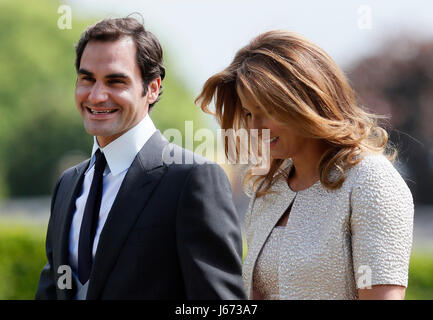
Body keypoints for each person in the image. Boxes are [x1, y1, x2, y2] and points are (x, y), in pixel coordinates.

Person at [35, 17, 246, 300]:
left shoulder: (192, 178)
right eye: (87, 79)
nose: (96, 96)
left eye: (115, 81)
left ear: (153, 88)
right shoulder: (68, 184)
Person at [196, 30, 414, 300]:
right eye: (250, 113)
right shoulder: (269, 188)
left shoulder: (371, 180)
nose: (255, 127)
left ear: (308, 101)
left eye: (268, 110)